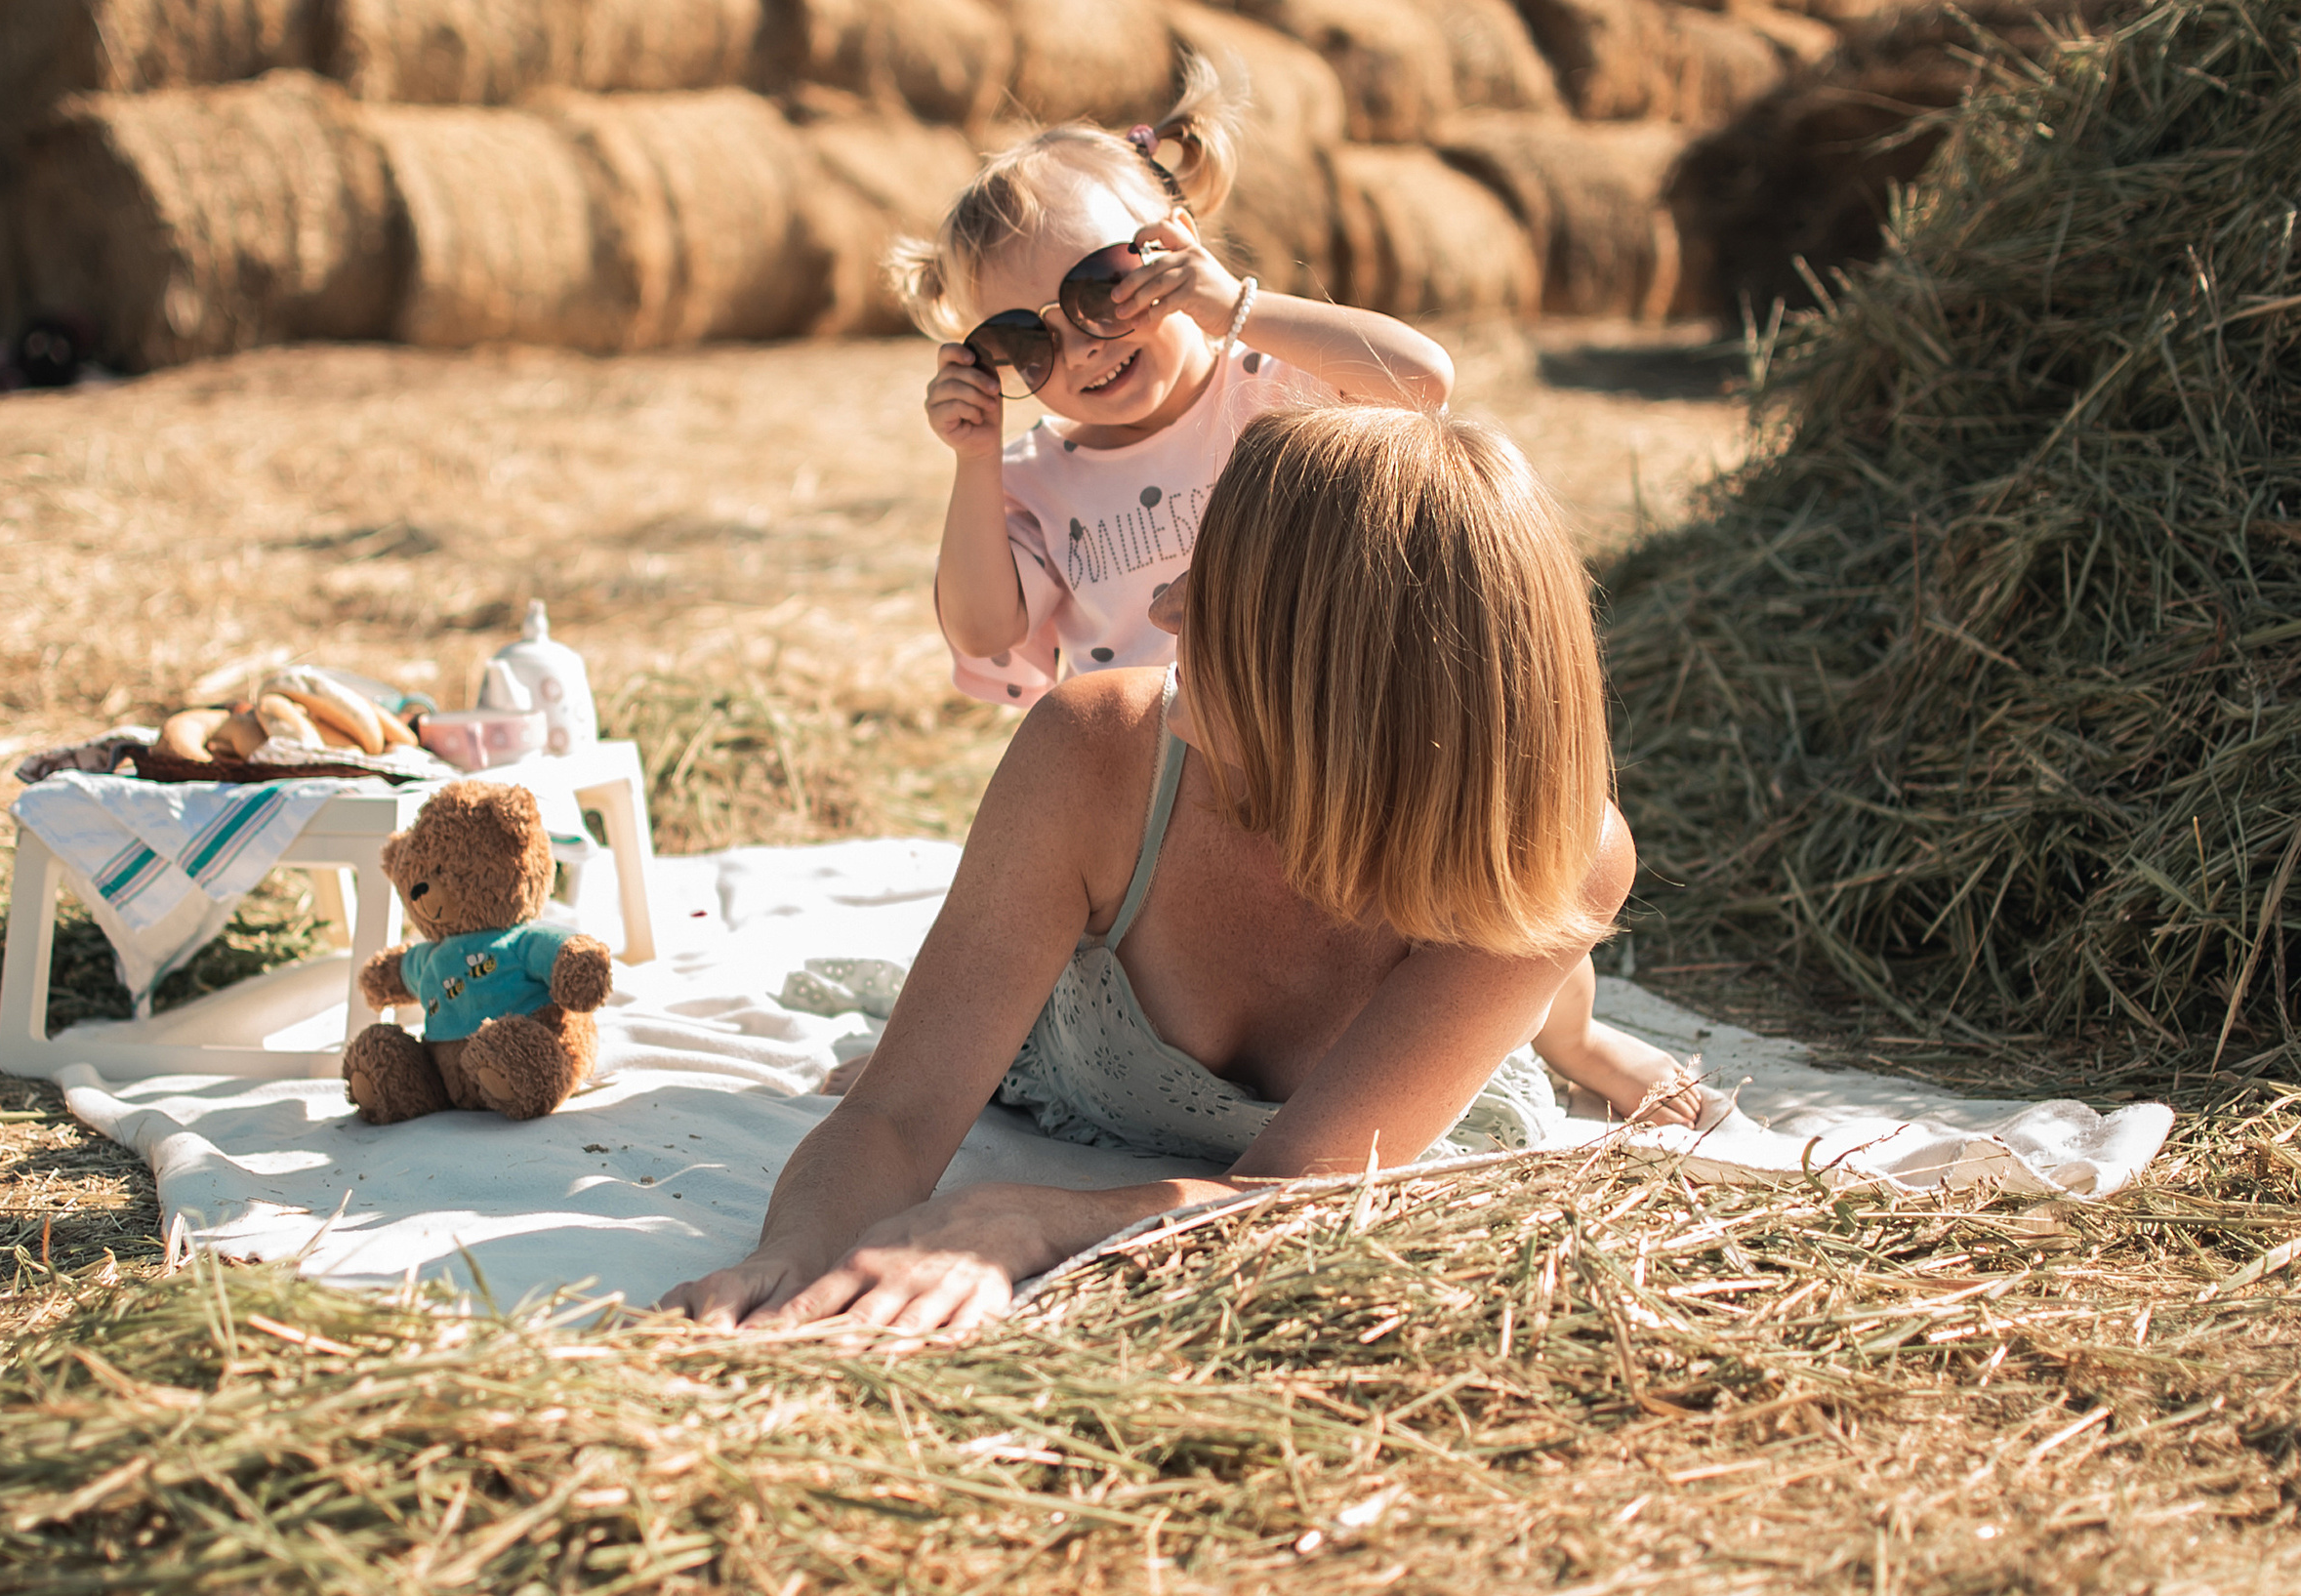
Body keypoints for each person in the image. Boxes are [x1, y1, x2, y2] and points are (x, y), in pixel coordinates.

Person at [664, 405, 1728, 1336]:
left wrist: (1032, 1218)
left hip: (1459, 966)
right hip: (1077, 1056)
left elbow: (1295, 1194)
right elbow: (896, 1115)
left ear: (1319, 671)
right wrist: (790, 1261)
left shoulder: (1555, 852)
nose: (1162, 608)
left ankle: (1579, 1037)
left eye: (1205, 585)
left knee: (1549, 986)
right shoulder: (1094, 749)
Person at [894, 58, 1454, 710]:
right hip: (1151, 775)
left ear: (1179, 246)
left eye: (1101, 289)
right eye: (1023, 340)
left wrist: (1242, 308)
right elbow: (984, 630)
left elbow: (1423, 381)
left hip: (1321, 739)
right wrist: (974, 458)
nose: (1078, 348)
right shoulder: (1034, 482)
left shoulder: (1281, 387)